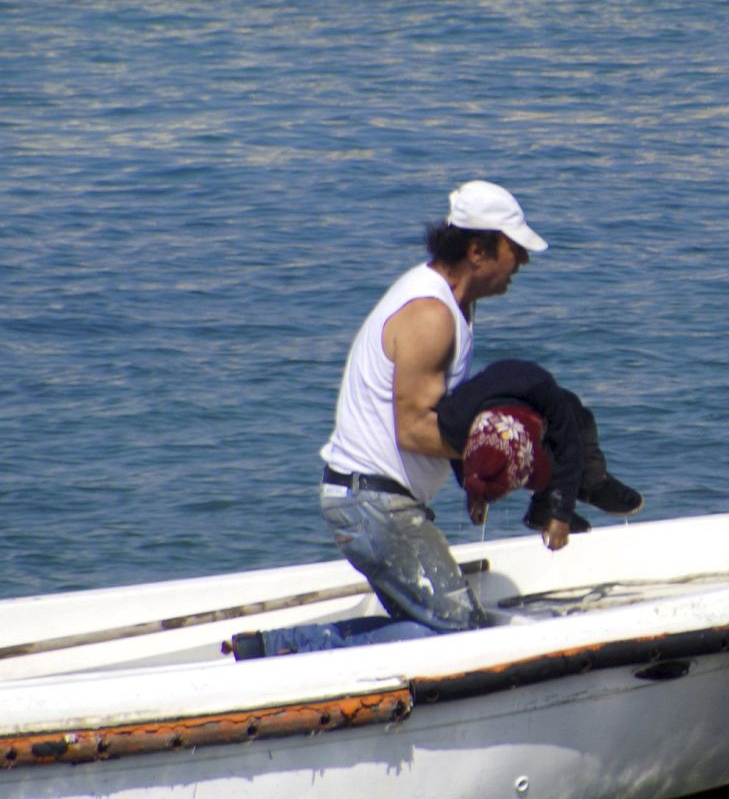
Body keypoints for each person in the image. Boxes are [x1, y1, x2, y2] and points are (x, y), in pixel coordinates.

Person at [228, 180, 549, 659]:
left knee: (431, 631)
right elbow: (415, 430)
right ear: (478, 250)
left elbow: (435, 415)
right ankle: (282, 651)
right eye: (514, 249)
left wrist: (474, 479)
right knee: (459, 637)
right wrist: (505, 454)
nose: (522, 262)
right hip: (371, 502)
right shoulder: (430, 315)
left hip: (372, 497)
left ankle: (271, 650)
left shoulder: (453, 303)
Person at [436, 358, 644, 535]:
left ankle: (592, 484)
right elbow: (460, 459)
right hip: (485, 401)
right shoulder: (454, 422)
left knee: (580, 423)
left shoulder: (547, 397)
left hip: (534, 391)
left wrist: (560, 515)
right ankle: (541, 512)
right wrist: (475, 493)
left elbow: (570, 454)